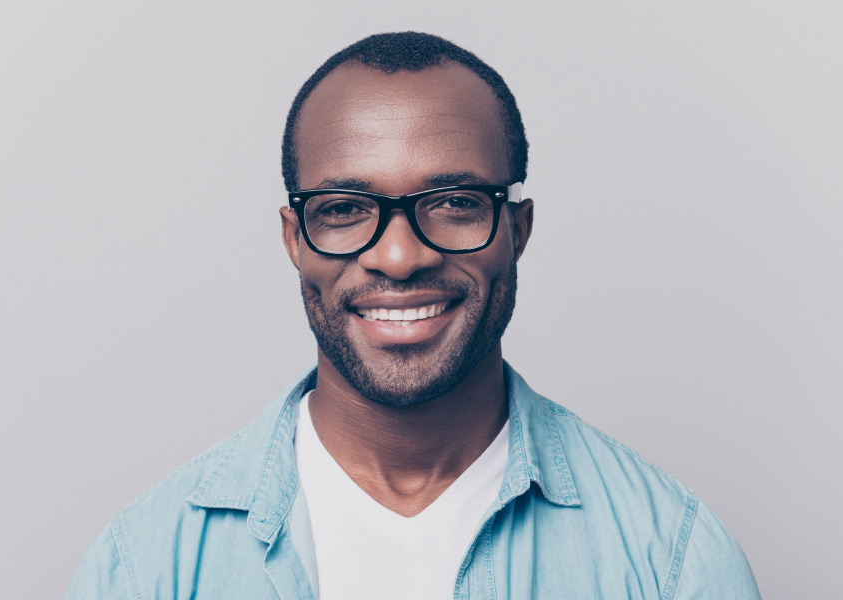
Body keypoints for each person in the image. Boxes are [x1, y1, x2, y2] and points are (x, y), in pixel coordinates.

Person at [65, 32, 760, 599]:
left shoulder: (672, 559)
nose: (398, 256)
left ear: (517, 229)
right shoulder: (142, 569)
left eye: (455, 202)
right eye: (343, 209)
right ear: (293, 240)